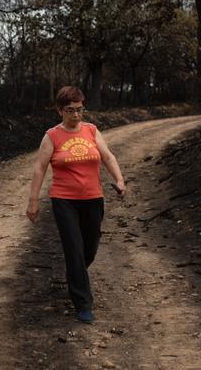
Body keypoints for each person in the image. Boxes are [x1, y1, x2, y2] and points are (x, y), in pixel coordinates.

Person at [26, 86, 125, 324]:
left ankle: (76, 273)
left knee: (89, 249)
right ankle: (83, 303)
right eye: (70, 110)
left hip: (93, 198)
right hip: (64, 200)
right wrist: (33, 201)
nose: (76, 115)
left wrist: (119, 180)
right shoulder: (52, 136)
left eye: (80, 110)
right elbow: (39, 167)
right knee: (74, 249)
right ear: (60, 110)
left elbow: (108, 156)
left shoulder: (91, 130)